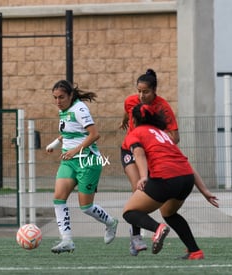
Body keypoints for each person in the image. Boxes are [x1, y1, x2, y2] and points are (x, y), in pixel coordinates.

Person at [122, 103, 219, 260]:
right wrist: (205, 191)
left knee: (129, 212)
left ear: (133, 119)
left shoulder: (135, 133)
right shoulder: (163, 134)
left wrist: (143, 176)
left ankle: (158, 228)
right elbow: (184, 162)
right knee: (169, 213)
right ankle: (195, 251)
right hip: (186, 179)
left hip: (166, 179)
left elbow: (138, 154)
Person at [46, 80, 118, 254]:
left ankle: (111, 222)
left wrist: (75, 150)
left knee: (86, 207)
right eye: (55, 98)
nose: (58, 101)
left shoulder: (80, 109)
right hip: (69, 161)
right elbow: (68, 132)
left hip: (88, 161)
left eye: (61, 97)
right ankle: (67, 240)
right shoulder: (63, 110)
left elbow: (95, 135)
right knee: (58, 198)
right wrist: (55, 144)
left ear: (71, 95)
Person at [119, 68, 179, 256]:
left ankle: (140, 234)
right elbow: (128, 111)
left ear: (154, 91)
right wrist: (124, 122)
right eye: (139, 91)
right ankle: (137, 239)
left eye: (145, 92)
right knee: (137, 189)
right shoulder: (131, 101)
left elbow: (175, 137)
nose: (141, 95)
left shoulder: (163, 107)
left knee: (143, 194)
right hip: (130, 149)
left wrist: (157, 144)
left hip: (151, 155)